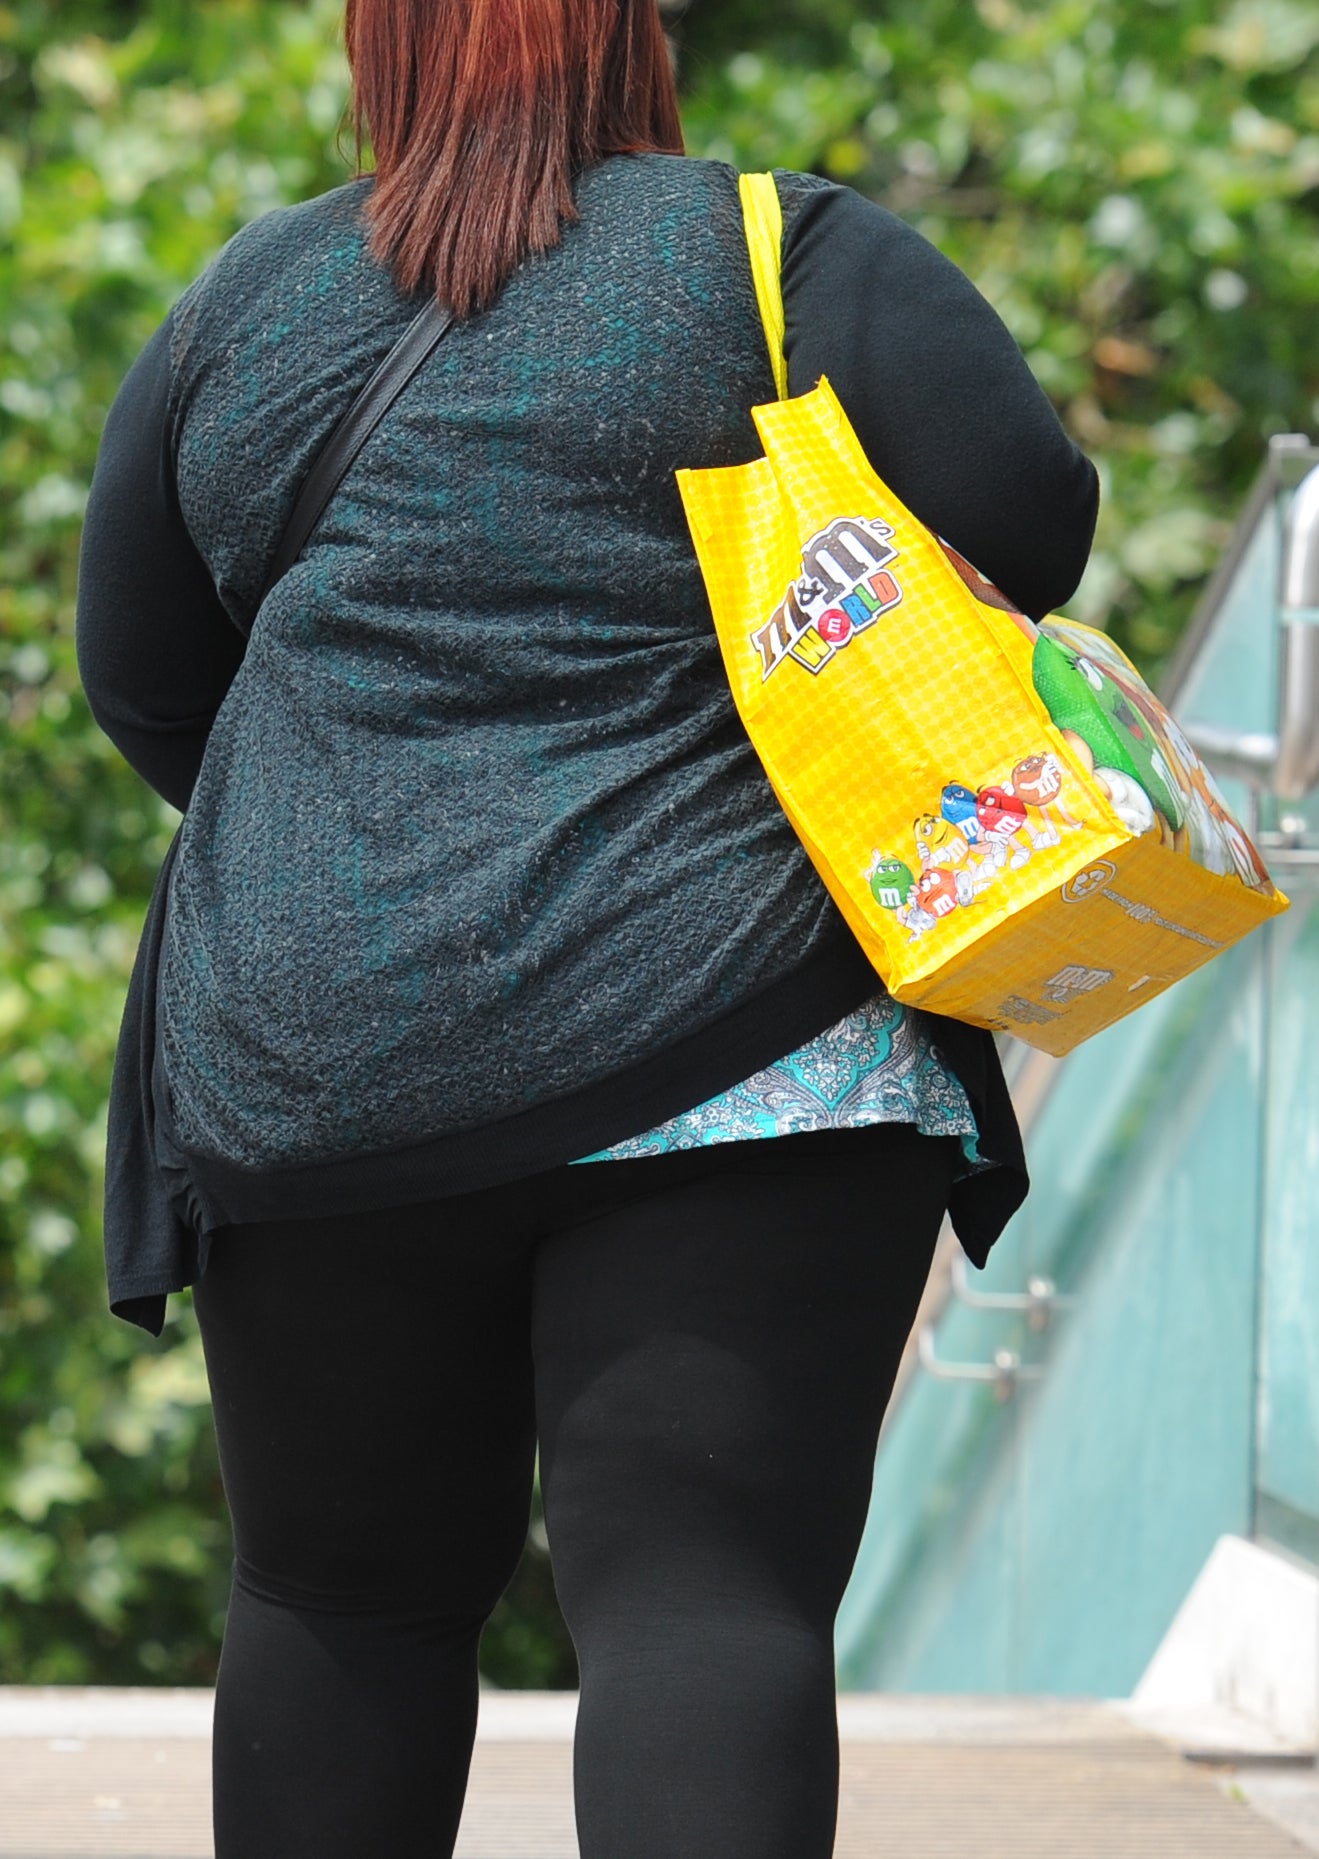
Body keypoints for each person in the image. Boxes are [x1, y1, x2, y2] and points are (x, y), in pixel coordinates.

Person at [75, 2, 1099, 1853]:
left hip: (322, 1070)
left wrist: (381, 876)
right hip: (743, 1058)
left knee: (337, 1605)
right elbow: (1032, 518)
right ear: (642, 38)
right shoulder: (791, 259)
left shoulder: (250, 299)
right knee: (707, 1609)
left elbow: (145, 681)